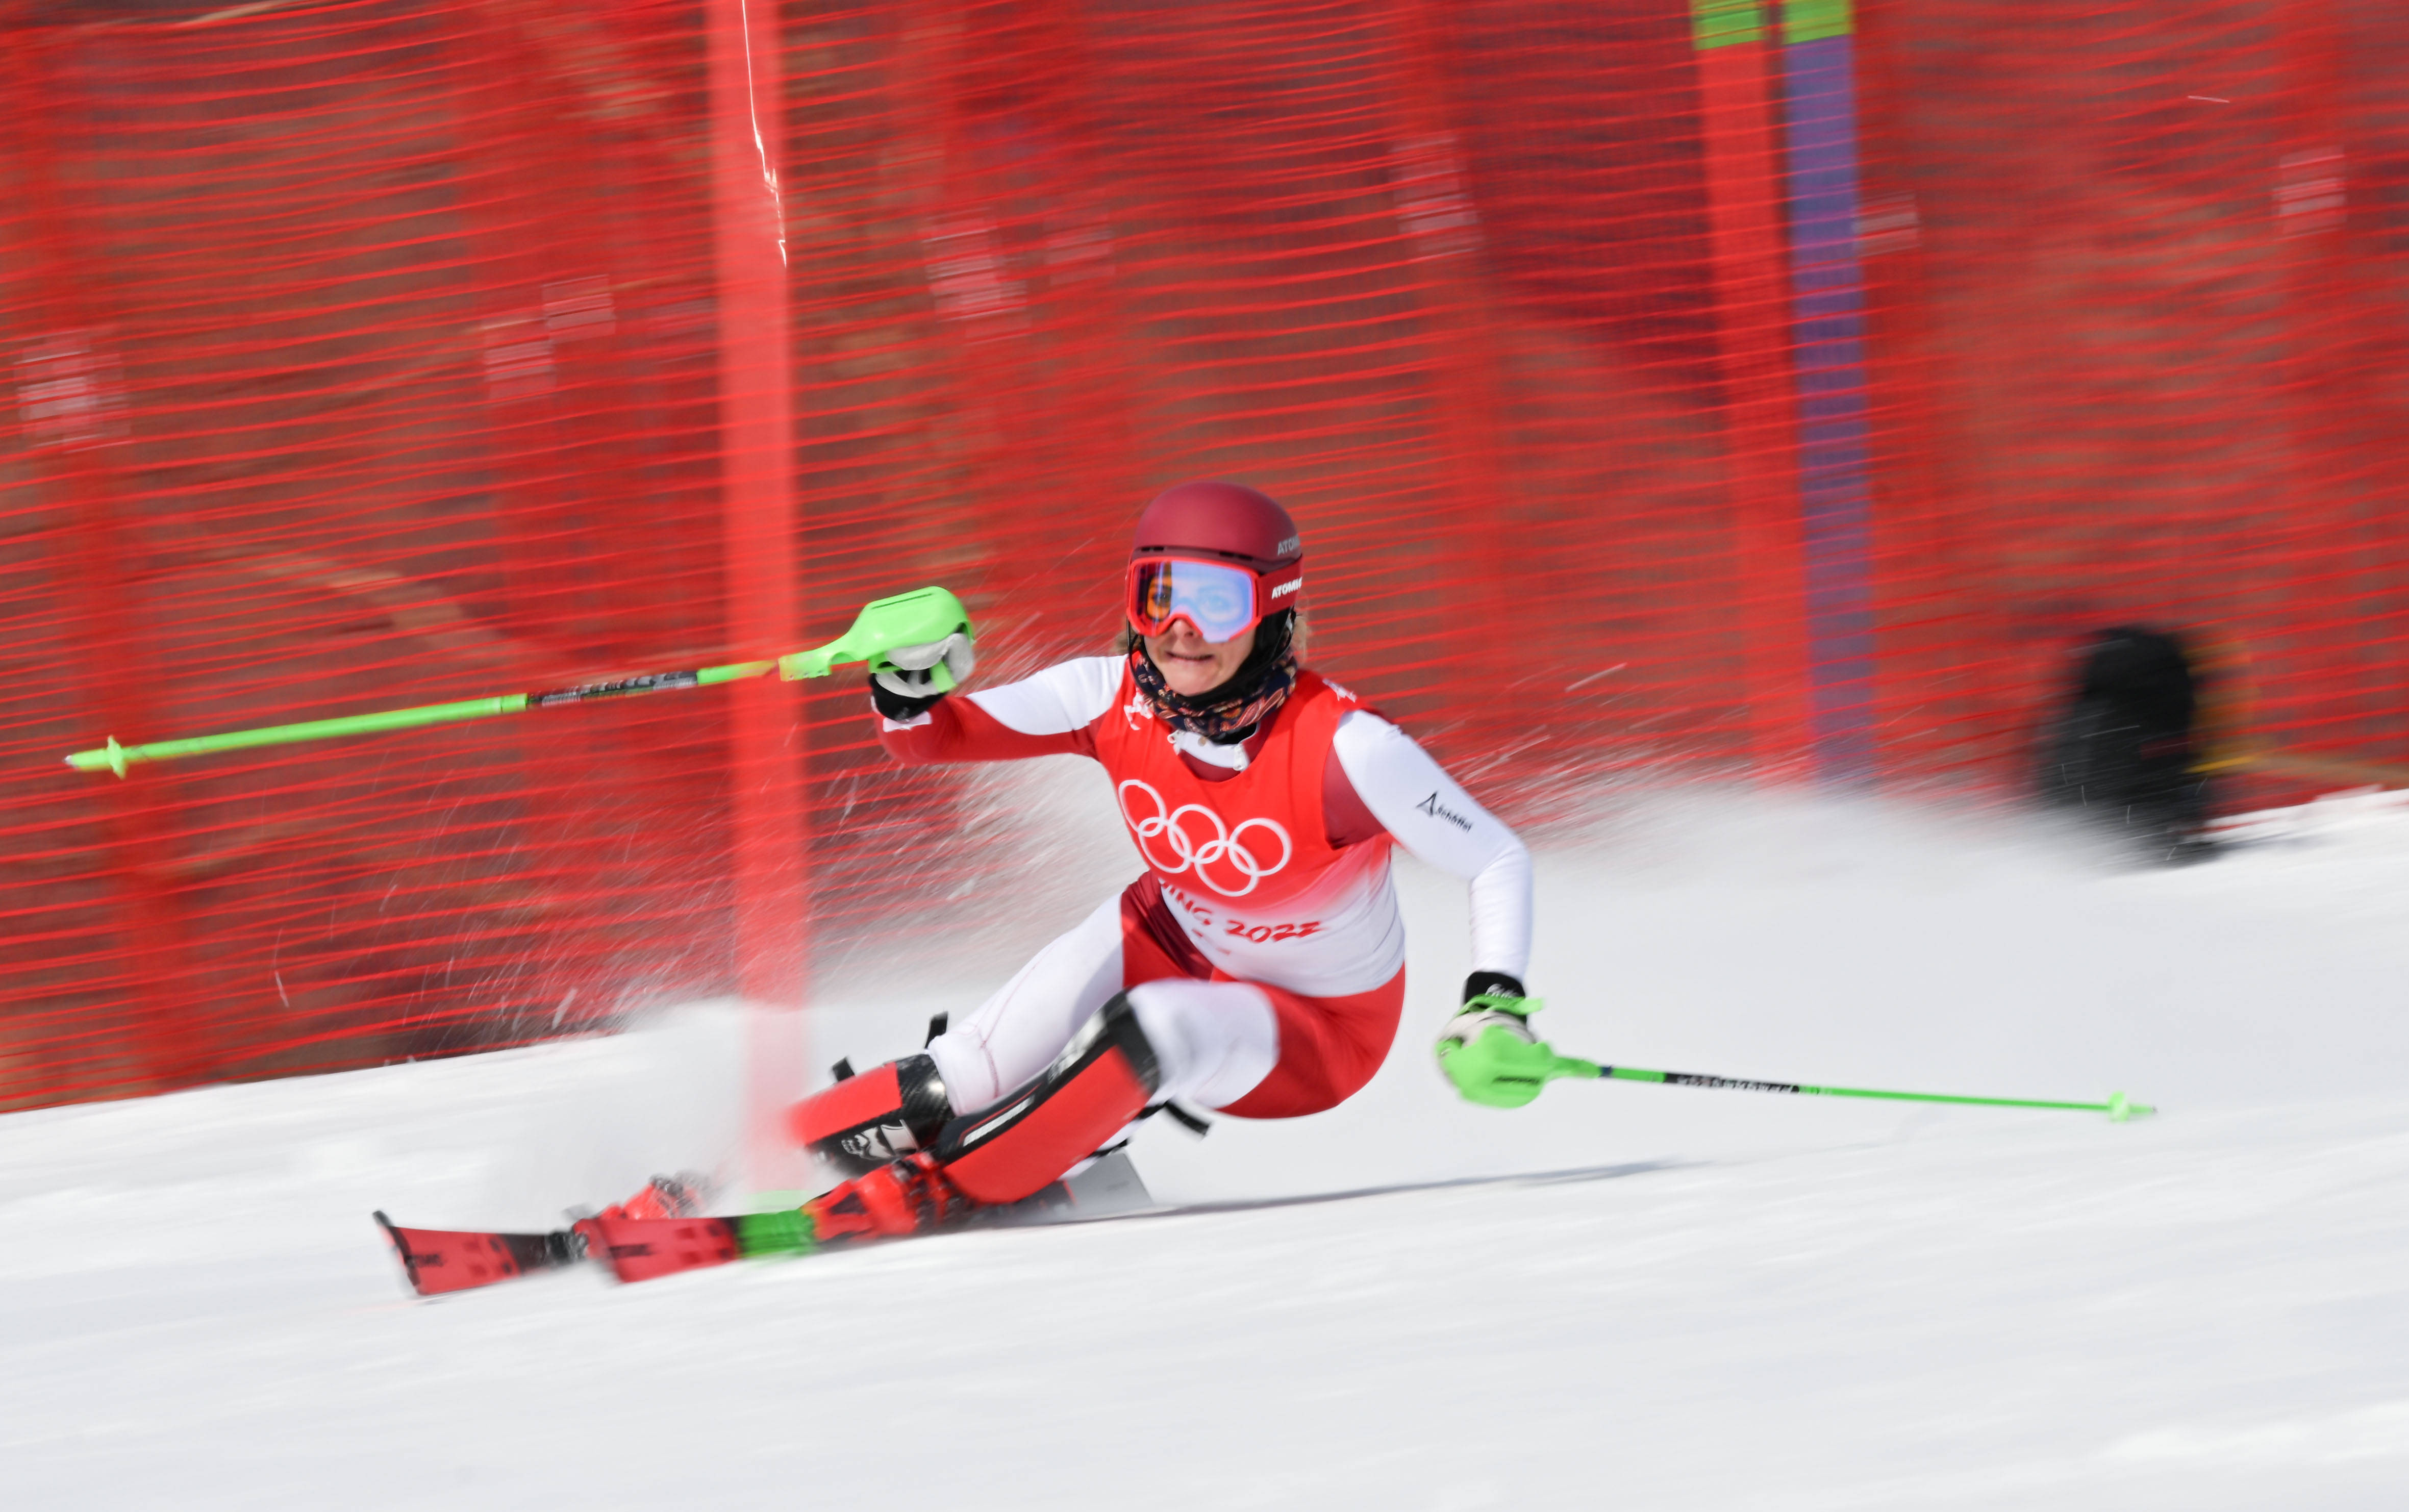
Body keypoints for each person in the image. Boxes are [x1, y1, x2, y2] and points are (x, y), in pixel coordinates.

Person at [776, 480, 1578, 1243]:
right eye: (1157, 594)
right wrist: (907, 684)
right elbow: (932, 738)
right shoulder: (1107, 695)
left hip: (1316, 1030)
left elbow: (1495, 858)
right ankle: (746, 1169)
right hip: (1168, 936)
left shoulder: (1349, 748)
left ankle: (948, 1189)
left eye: (1215, 602)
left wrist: (1494, 1002)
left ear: (1271, 614)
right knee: (967, 1070)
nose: (1179, 628)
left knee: (1156, 1028)